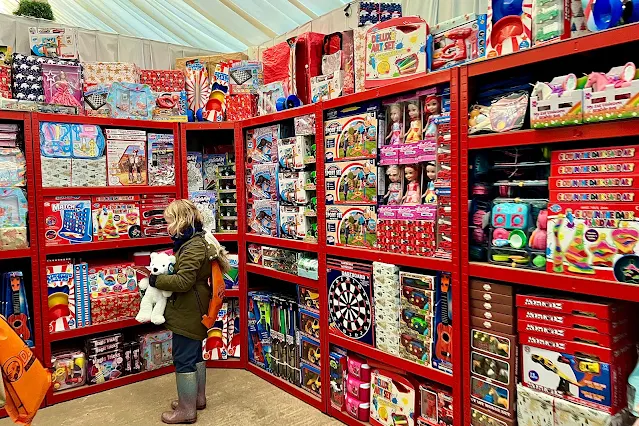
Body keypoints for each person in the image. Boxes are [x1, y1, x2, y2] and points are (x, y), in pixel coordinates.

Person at [149, 199, 229, 424]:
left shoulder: (193, 245)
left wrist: (156, 279)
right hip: (195, 305)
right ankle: (197, 398)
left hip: (190, 308)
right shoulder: (197, 239)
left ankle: (186, 410)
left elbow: (184, 281)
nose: (167, 226)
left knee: (183, 357)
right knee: (193, 354)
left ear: (180, 220)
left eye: (169, 221)